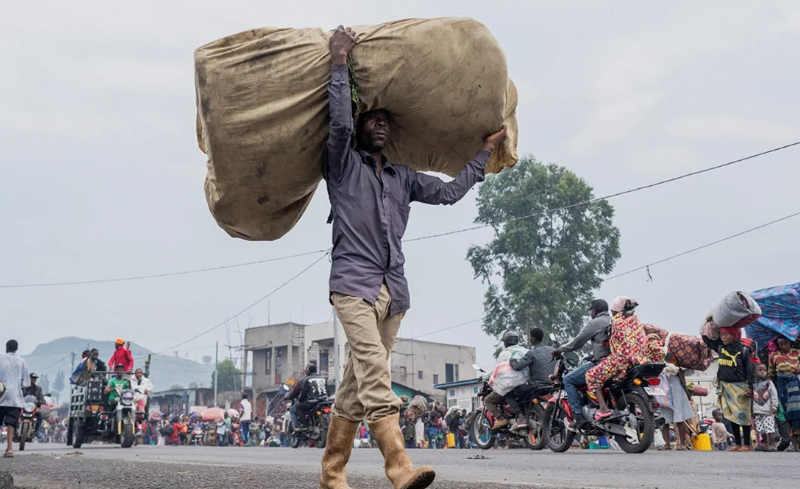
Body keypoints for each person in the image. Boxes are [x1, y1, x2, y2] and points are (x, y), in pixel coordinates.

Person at [318, 25, 507, 489]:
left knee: (354, 384)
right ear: (362, 126)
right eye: (372, 118)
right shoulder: (342, 165)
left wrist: (483, 155)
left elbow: (447, 192)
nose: (379, 124)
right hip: (352, 286)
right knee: (376, 372)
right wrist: (338, 63)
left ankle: (331, 473)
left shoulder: (403, 177)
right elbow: (339, 124)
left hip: (392, 291)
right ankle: (398, 466)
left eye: (386, 120)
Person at [585, 297, 663, 421]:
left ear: (617, 311)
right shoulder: (636, 320)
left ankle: (603, 408)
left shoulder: (617, 321)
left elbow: (618, 346)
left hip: (623, 360)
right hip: (641, 359)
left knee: (591, 376)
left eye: (613, 311)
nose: (612, 314)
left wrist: (620, 368)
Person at [553, 299, 612, 427]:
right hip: (617, 364)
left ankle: (578, 416)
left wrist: (559, 350)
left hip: (600, 364)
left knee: (568, 379)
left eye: (591, 311)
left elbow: (577, 342)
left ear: (594, 311)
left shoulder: (595, 323)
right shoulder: (615, 321)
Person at [704, 326, 755, 451]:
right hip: (726, 387)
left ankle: (747, 445)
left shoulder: (743, 350)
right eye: (722, 335)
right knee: (732, 416)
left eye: (726, 335)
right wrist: (708, 322)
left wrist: (750, 386)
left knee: (744, 416)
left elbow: (749, 370)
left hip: (740, 388)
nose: (723, 337)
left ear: (734, 335)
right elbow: (706, 339)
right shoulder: (721, 348)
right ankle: (738, 444)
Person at [483, 331, 526, 430]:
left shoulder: (504, 353)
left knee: (488, 400)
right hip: (526, 382)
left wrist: (485, 376)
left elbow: (496, 369)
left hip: (513, 383)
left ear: (506, 342)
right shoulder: (524, 350)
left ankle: (501, 419)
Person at [0, 339, 31, 458]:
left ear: (6, 347)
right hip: (15, 398)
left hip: (1, 395)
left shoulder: (1, 358)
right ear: (16, 349)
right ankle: (9, 449)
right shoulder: (22, 361)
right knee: (11, 424)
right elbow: (26, 383)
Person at [769, 336, 800, 451]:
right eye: (780, 344)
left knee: (798, 413)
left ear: (790, 343)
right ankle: (794, 444)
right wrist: (772, 391)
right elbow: (771, 374)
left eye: (785, 343)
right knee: (787, 415)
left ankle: (798, 443)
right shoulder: (773, 356)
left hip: (796, 386)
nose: (783, 346)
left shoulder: (797, 353)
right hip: (782, 388)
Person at [656, 364, 694, 451]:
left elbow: (684, 368)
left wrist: (674, 368)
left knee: (679, 416)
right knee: (664, 417)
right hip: (663, 383)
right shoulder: (660, 354)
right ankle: (666, 444)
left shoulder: (676, 355)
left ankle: (682, 444)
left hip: (676, 384)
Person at [286, 364, 327, 431]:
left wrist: (300, 400)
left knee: (297, 407)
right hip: (324, 400)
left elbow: (303, 392)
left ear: (308, 371)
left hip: (312, 401)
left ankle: (304, 426)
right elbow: (327, 391)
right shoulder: (323, 378)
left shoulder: (306, 379)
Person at [752, 363, 779, 451]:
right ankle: (765, 444)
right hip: (758, 410)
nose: (763, 372)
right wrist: (753, 410)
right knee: (761, 429)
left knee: (769, 428)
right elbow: (753, 398)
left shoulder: (769, 383)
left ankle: (773, 445)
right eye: (760, 370)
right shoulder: (753, 384)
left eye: (764, 370)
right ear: (755, 372)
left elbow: (774, 395)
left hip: (767, 411)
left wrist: (774, 407)